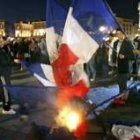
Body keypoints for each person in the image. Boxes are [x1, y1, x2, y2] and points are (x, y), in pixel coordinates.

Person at [112, 29, 134, 101]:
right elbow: (114, 53)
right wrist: (113, 61)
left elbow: (132, 55)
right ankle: (121, 95)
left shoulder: (128, 43)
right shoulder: (115, 43)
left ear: (123, 34)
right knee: (119, 82)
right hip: (117, 66)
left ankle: (124, 98)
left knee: (123, 83)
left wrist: (124, 56)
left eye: (120, 34)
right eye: (117, 34)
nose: (118, 35)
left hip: (125, 66)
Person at [0, 36, 16, 114]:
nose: (3, 41)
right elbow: (5, 62)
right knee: (6, 89)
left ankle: (4, 102)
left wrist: (8, 51)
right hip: (2, 72)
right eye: (1, 40)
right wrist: (13, 61)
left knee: (4, 90)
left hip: (5, 72)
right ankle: (6, 108)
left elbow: (8, 58)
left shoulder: (3, 49)